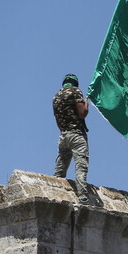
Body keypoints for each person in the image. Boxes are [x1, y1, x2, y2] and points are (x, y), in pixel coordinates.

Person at [53, 74, 90, 204]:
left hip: (63, 136)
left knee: (60, 169)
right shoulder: (75, 91)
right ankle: (83, 197)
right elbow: (82, 113)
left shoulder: (56, 97)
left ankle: (55, 192)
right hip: (76, 135)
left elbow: (58, 121)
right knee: (81, 166)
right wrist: (86, 104)